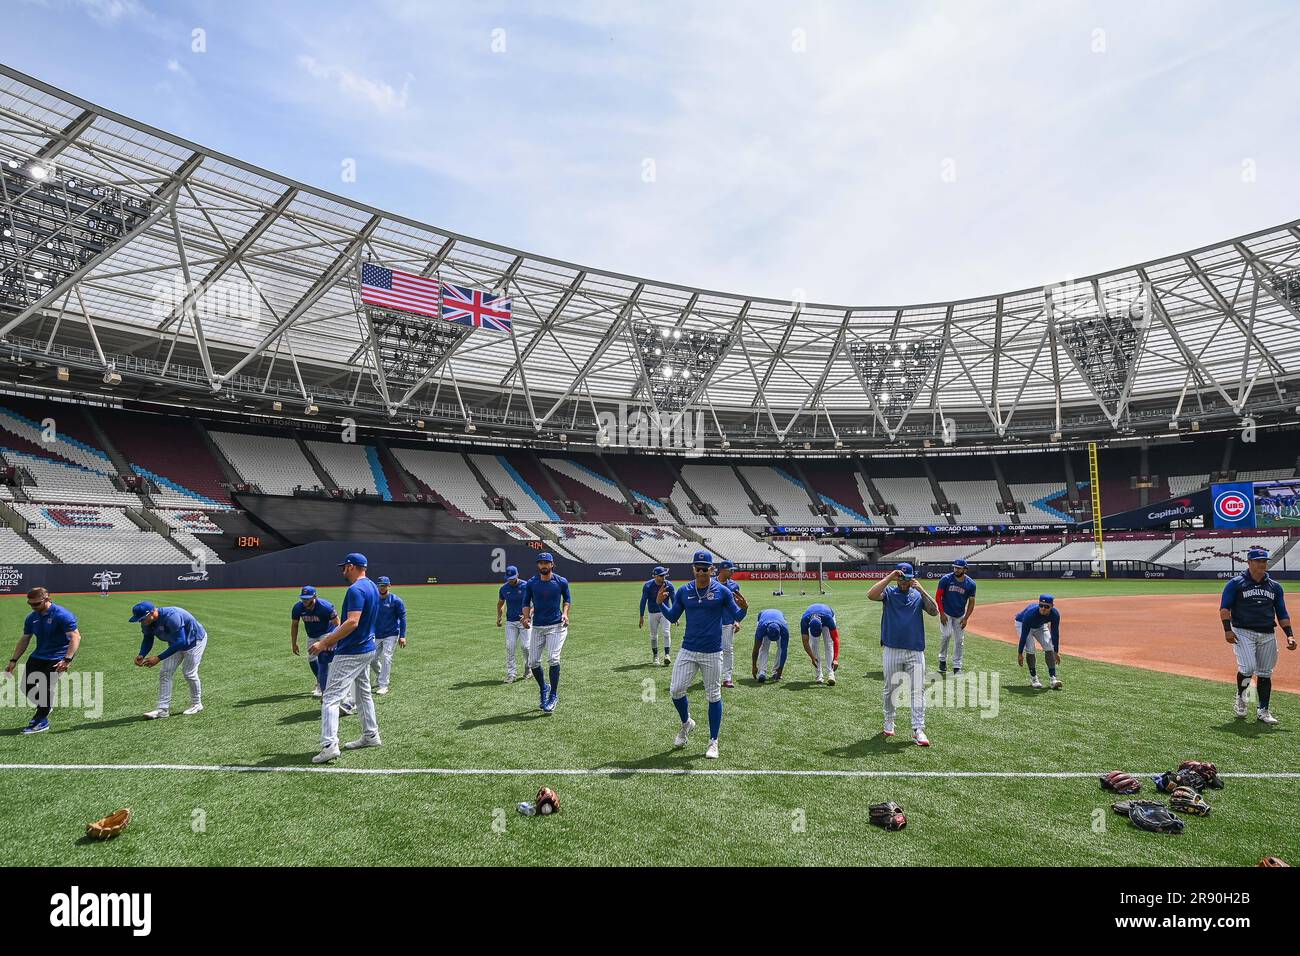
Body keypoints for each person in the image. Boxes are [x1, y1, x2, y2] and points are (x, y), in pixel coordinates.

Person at [658, 550, 747, 759]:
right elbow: (672, 617)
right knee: (676, 690)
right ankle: (687, 723)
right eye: (697, 568)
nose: (701, 572)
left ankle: (713, 741)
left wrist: (745, 609)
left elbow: (737, 614)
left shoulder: (722, 591)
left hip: (712, 651)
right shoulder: (683, 591)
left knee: (714, 695)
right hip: (688, 649)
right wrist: (661, 603)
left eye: (705, 568)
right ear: (693, 569)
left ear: (711, 569)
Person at [310, 553, 382, 763]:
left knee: (331, 697)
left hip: (352, 650)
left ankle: (329, 744)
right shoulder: (371, 587)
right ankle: (371, 735)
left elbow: (352, 622)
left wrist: (325, 642)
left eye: (344, 566)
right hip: (367, 647)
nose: (342, 570)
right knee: (363, 693)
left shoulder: (356, 589)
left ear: (351, 567)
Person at [1221, 546, 1294, 725]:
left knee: (1265, 673)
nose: (1262, 564)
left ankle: (1263, 710)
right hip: (1243, 632)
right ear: (1249, 562)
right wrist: (1227, 630)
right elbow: (1224, 608)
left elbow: (1282, 613)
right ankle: (1242, 698)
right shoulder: (1236, 583)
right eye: (1258, 561)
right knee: (1247, 668)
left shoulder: (1275, 587)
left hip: (1268, 633)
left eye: (1264, 561)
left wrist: (1289, 635)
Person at [867, 563, 937, 746]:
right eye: (901, 577)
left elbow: (934, 611)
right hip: (892, 648)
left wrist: (922, 590)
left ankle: (918, 729)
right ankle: (889, 720)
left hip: (915, 649)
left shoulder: (917, 594)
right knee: (891, 688)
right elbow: (871, 595)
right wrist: (890, 577)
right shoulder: (889, 593)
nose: (904, 581)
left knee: (918, 690)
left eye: (907, 578)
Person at [5, 587, 80, 734]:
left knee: (45, 687)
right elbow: (25, 639)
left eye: (36, 604)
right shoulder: (32, 617)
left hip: (58, 657)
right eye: (30, 604)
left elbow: (75, 637)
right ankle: (45, 707)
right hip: (39, 655)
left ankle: (41, 720)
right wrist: (13, 660)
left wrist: (67, 659)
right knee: (26, 687)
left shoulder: (62, 615)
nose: (33, 607)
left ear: (47, 599)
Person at [131, 601, 208, 719]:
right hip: (175, 643)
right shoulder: (147, 621)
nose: (141, 622)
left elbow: (182, 641)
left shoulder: (171, 616)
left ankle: (197, 704)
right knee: (165, 672)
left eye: (142, 619)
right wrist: (141, 654)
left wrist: (158, 658)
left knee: (189, 673)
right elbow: (147, 638)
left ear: (152, 612)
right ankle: (163, 710)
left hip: (194, 641)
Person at [521, 552, 571, 714]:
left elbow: (567, 600)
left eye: (546, 563)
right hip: (538, 627)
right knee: (533, 662)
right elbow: (526, 602)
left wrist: (565, 613)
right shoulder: (531, 583)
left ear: (552, 564)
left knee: (553, 658)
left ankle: (554, 695)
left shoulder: (561, 581)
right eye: (540, 563)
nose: (543, 565)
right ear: (538, 565)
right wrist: (527, 617)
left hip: (556, 626)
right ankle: (544, 688)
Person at [290, 585, 354, 713]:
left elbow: (338, 623)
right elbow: (294, 625)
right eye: (303, 598)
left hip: (326, 633)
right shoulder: (298, 608)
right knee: (311, 659)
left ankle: (328, 692)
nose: (305, 601)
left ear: (314, 596)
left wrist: (334, 640)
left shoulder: (325, 607)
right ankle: (320, 683)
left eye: (307, 598)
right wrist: (294, 643)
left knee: (324, 660)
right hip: (312, 635)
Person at [936, 558, 977, 676]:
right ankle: (942, 660)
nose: (956, 570)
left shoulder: (971, 584)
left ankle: (957, 666)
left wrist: (966, 618)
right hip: (947, 612)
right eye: (955, 567)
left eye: (959, 568)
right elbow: (938, 597)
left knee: (959, 640)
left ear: (965, 569)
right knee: (946, 635)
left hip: (959, 615)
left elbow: (972, 602)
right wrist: (942, 614)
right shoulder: (946, 579)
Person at [1015, 595, 1062, 690]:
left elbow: (1055, 633)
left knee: (1049, 647)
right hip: (1022, 624)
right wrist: (1020, 653)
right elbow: (1024, 635)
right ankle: (1034, 678)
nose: (1043, 608)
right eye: (1041, 605)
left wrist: (1056, 651)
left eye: (1046, 606)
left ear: (1052, 606)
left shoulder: (1055, 614)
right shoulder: (1030, 614)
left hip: (1040, 626)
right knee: (1031, 649)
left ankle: (1053, 679)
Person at [370, 576, 407, 696]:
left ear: (389, 586)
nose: (382, 587)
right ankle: (381, 676)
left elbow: (403, 618)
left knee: (386, 657)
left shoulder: (396, 600)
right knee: (372, 658)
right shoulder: (373, 599)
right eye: (380, 585)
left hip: (391, 634)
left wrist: (402, 635)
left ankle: (383, 685)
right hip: (376, 634)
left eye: (384, 585)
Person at [497, 565, 531, 683]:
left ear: (518, 575)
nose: (510, 580)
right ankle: (511, 674)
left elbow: (535, 603)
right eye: (508, 578)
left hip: (525, 621)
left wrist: (527, 616)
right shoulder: (503, 588)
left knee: (526, 647)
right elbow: (501, 603)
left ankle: (528, 669)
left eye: (512, 578)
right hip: (511, 622)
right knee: (510, 647)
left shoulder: (526, 586)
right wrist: (499, 617)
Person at [639, 566, 674, 666]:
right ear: (655, 576)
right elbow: (643, 601)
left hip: (665, 612)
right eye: (661, 576)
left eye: (664, 575)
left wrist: (676, 615)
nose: (663, 577)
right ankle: (655, 656)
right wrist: (641, 616)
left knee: (666, 633)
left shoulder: (669, 585)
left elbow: (674, 600)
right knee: (653, 636)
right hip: (652, 613)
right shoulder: (648, 585)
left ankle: (667, 655)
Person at [800, 602, 839, 685]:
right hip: (814, 616)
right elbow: (805, 642)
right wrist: (812, 657)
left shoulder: (828, 619)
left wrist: (835, 659)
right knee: (814, 644)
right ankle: (819, 675)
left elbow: (835, 639)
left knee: (828, 643)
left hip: (827, 614)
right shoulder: (804, 620)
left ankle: (831, 674)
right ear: (809, 626)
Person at [717, 560, 742, 687]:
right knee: (713, 650)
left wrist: (737, 620)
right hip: (712, 622)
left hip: (728, 621)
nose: (733, 572)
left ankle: (727, 677)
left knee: (727, 649)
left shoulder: (734, 586)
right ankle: (714, 675)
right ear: (722, 570)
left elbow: (737, 604)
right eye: (730, 570)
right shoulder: (711, 583)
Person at [751, 608, 790, 683]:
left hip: (779, 618)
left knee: (781, 648)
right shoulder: (761, 628)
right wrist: (754, 666)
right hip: (763, 618)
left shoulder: (784, 629)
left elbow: (784, 650)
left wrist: (780, 668)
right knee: (764, 647)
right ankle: (762, 672)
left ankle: (776, 671)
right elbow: (756, 648)